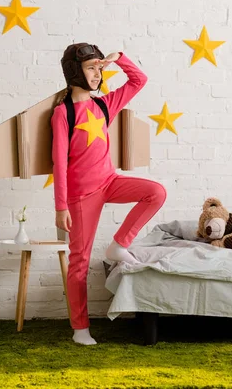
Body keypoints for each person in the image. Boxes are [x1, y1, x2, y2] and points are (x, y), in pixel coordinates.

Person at [51, 43, 166, 345]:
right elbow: (59, 164)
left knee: (156, 192)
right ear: (75, 72)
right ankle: (80, 329)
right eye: (91, 67)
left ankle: (119, 245)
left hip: (110, 181)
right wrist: (60, 207)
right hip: (81, 196)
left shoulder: (104, 105)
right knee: (79, 260)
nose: (97, 73)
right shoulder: (63, 114)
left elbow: (139, 80)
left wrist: (119, 59)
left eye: (98, 68)